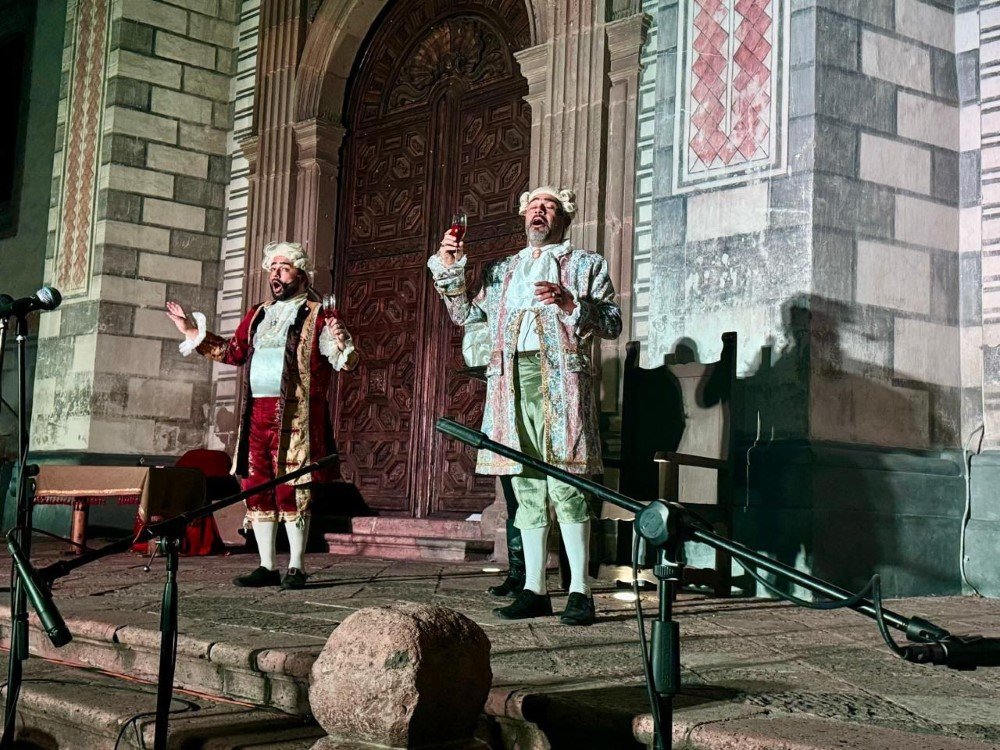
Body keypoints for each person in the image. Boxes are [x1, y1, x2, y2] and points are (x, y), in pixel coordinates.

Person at [427, 187, 622, 625]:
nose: (540, 212)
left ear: (563, 219)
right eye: (534, 206)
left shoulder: (586, 264)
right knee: (526, 484)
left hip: (561, 381)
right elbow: (465, 315)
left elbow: (612, 323)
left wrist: (573, 304)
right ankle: (534, 588)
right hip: (510, 383)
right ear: (523, 217)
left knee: (567, 483)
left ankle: (580, 591)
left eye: (549, 207)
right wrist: (451, 269)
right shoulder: (502, 270)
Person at [166, 241, 358, 590]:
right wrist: (191, 332)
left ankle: (296, 566)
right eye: (273, 269)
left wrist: (341, 341)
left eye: (284, 268)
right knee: (257, 487)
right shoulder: (258, 313)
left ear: (301, 274)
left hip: (295, 417)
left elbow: (343, 359)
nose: (276, 275)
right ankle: (267, 565)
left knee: (292, 489)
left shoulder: (318, 314)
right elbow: (233, 352)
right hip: (256, 414)